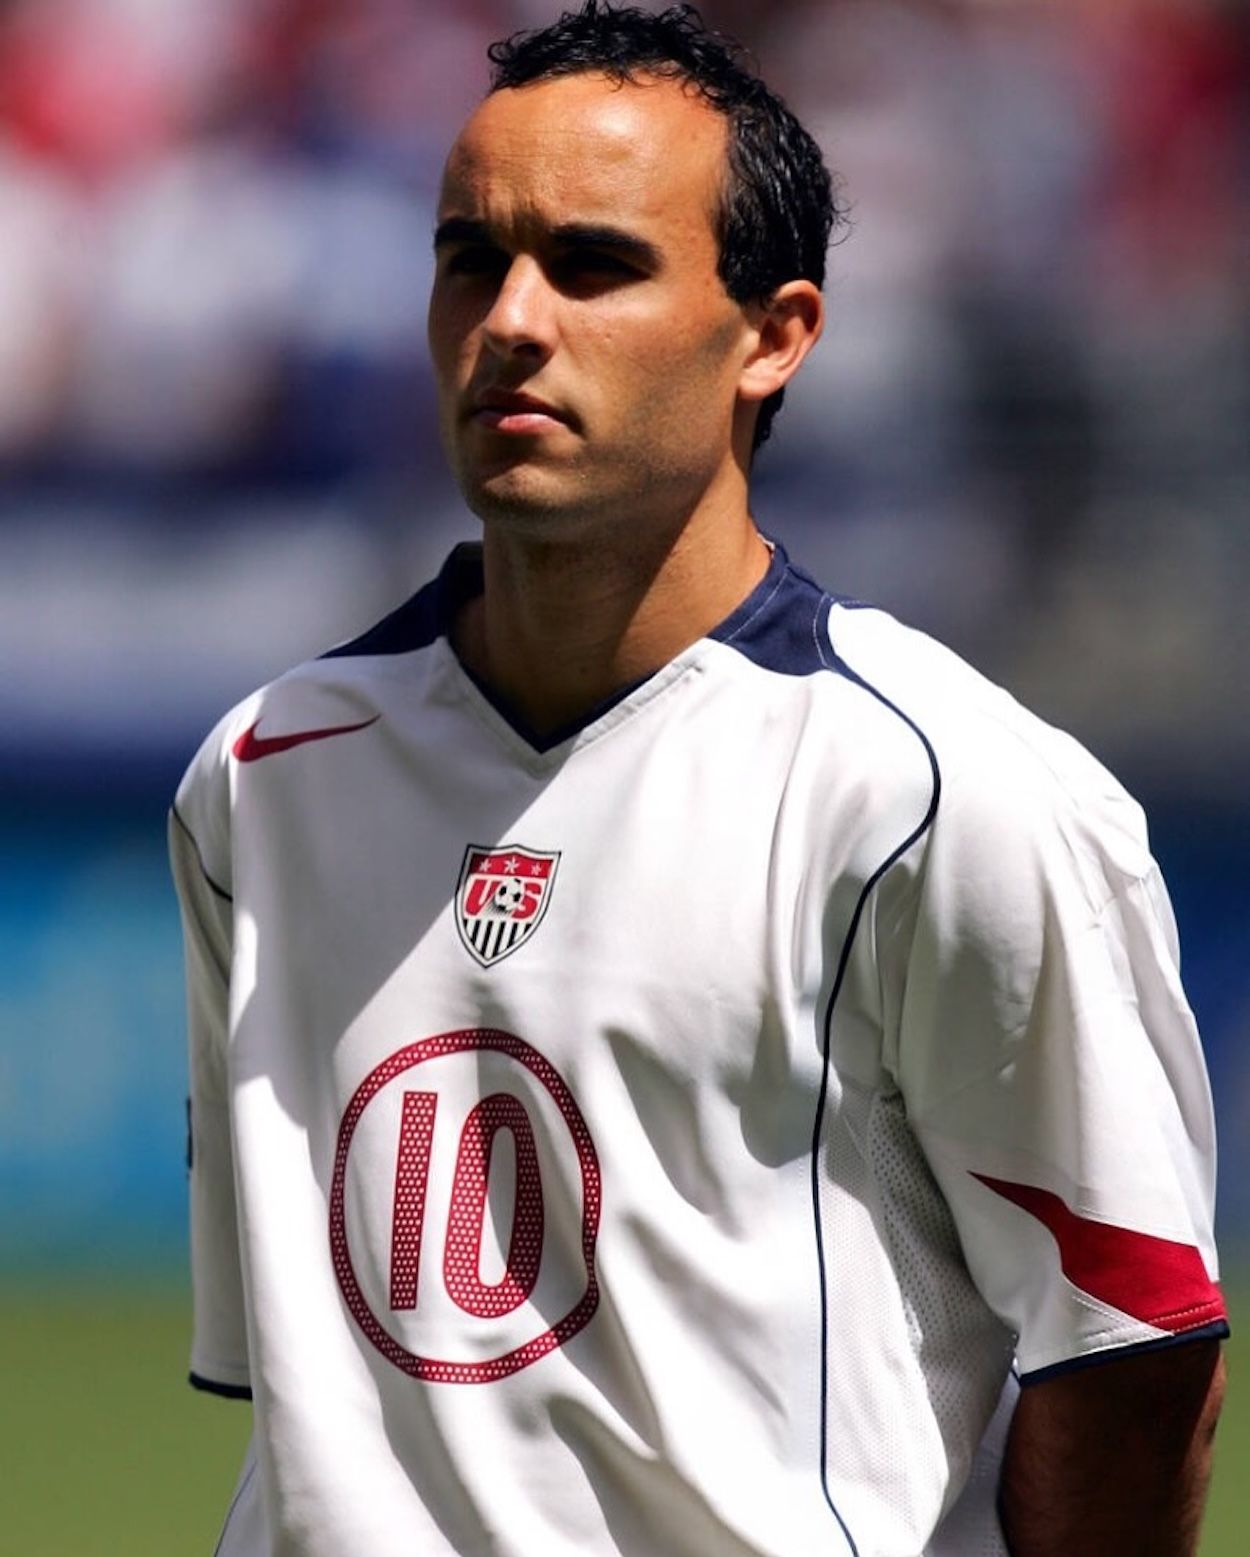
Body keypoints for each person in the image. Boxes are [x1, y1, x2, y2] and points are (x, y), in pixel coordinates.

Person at [169, 5, 1228, 1554]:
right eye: (471, 257)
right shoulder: (264, 774)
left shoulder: (937, 790)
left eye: (593, 265)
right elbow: (307, 1391)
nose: (512, 318)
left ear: (775, 333)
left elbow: (1130, 1343)